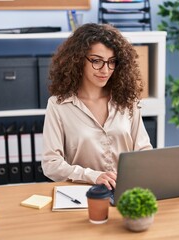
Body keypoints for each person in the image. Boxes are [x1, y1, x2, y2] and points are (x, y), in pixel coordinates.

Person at [42, 23, 152, 190]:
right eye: (96, 61)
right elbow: (51, 164)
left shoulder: (126, 100)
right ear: (78, 60)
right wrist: (93, 176)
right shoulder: (59, 105)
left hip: (127, 190)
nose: (105, 70)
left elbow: (143, 149)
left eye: (111, 62)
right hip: (84, 193)